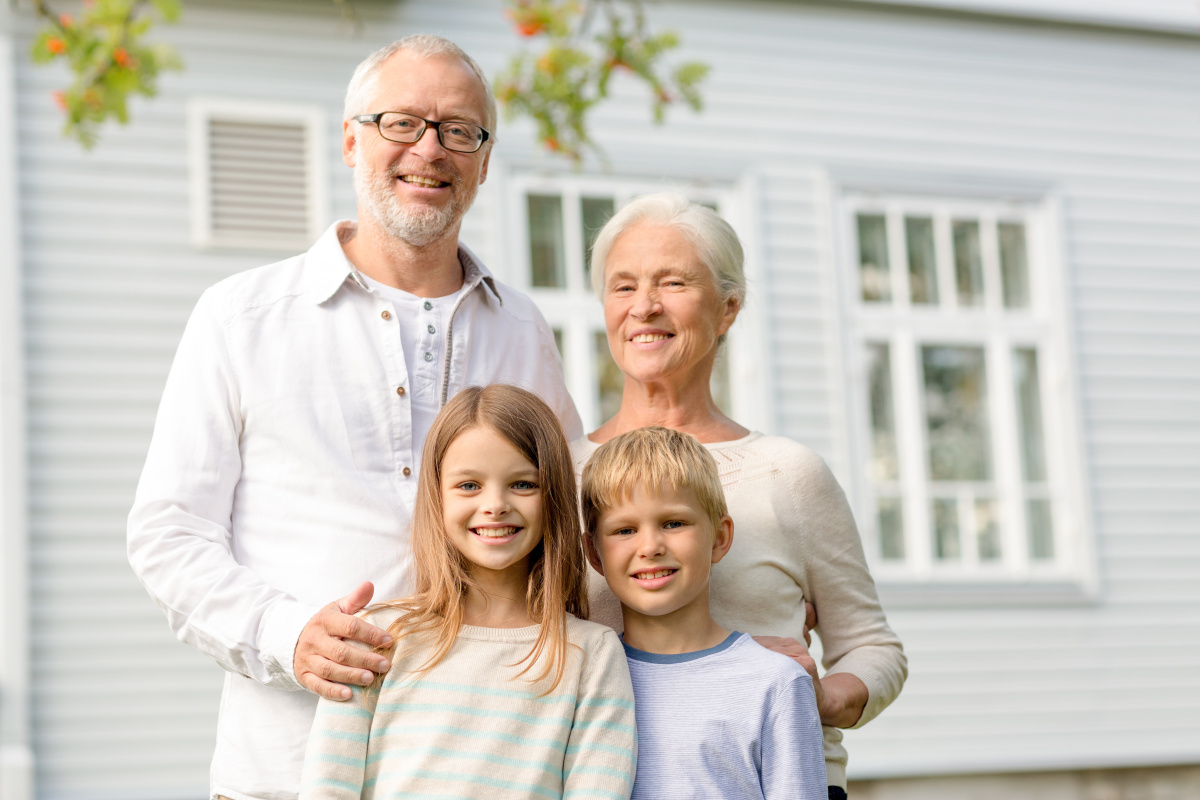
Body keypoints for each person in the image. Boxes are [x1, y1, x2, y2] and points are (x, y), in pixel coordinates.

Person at [127, 35, 581, 800]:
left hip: (480, 767)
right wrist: (287, 633)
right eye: (400, 123)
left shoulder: (523, 329)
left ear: (484, 158)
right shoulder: (241, 317)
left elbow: (574, 530)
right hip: (288, 766)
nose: (429, 150)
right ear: (350, 141)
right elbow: (169, 533)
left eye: (459, 130)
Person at [573, 192, 907, 799]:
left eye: (672, 282)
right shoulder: (563, 475)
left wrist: (820, 695)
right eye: (623, 287)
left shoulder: (788, 474)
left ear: (728, 308)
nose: (644, 307)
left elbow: (872, 646)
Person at [299, 385, 635, 799]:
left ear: (554, 498)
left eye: (523, 484)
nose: (495, 504)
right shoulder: (378, 638)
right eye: (469, 486)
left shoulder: (591, 653)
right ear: (437, 496)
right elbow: (327, 788)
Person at [581, 425, 826, 800]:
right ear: (595, 553)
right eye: (625, 529)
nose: (650, 546)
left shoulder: (775, 684)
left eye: (673, 523)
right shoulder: (581, 678)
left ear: (719, 538)